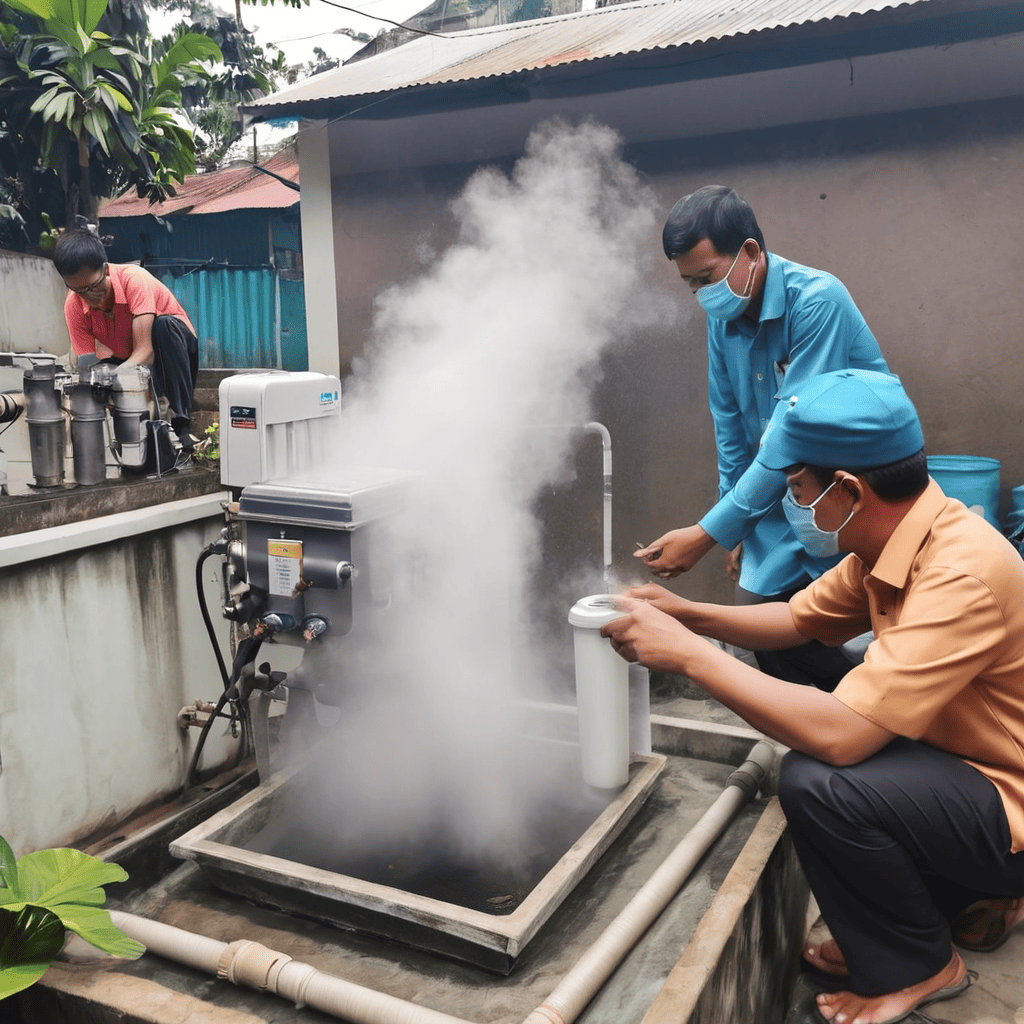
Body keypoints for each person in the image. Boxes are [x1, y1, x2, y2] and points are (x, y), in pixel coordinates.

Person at [605, 368, 1024, 1024]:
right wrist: (688, 615)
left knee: (818, 780)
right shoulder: (899, 535)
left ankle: (917, 964)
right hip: (954, 758)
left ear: (849, 489)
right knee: (786, 651)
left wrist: (687, 656)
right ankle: (934, 898)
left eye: (798, 489)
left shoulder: (963, 572)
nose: (794, 506)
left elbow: (842, 737)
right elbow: (799, 620)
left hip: (1007, 796)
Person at [636, 185, 890, 691]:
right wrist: (736, 529)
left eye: (707, 278)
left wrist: (708, 533)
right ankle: (821, 737)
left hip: (848, 498)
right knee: (764, 636)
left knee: (855, 639)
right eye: (690, 286)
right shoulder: (724, 320)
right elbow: (730, 428)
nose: (703, 295)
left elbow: (792, 434)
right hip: (778, 501)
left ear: (750, 252)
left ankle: (867, 737)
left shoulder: (818, 301)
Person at [53, 229, 199, 451]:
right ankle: (122, 437)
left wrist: (115, 375)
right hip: (129, 361)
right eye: (79, 290)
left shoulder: (134, 279)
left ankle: (181, 426)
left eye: (93, 285)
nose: (89, 295)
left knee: (163, 326)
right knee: (99, 371)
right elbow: (87, 364)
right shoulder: (73, 306)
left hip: (173, 353)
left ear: (105, 269)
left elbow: (146, 352)